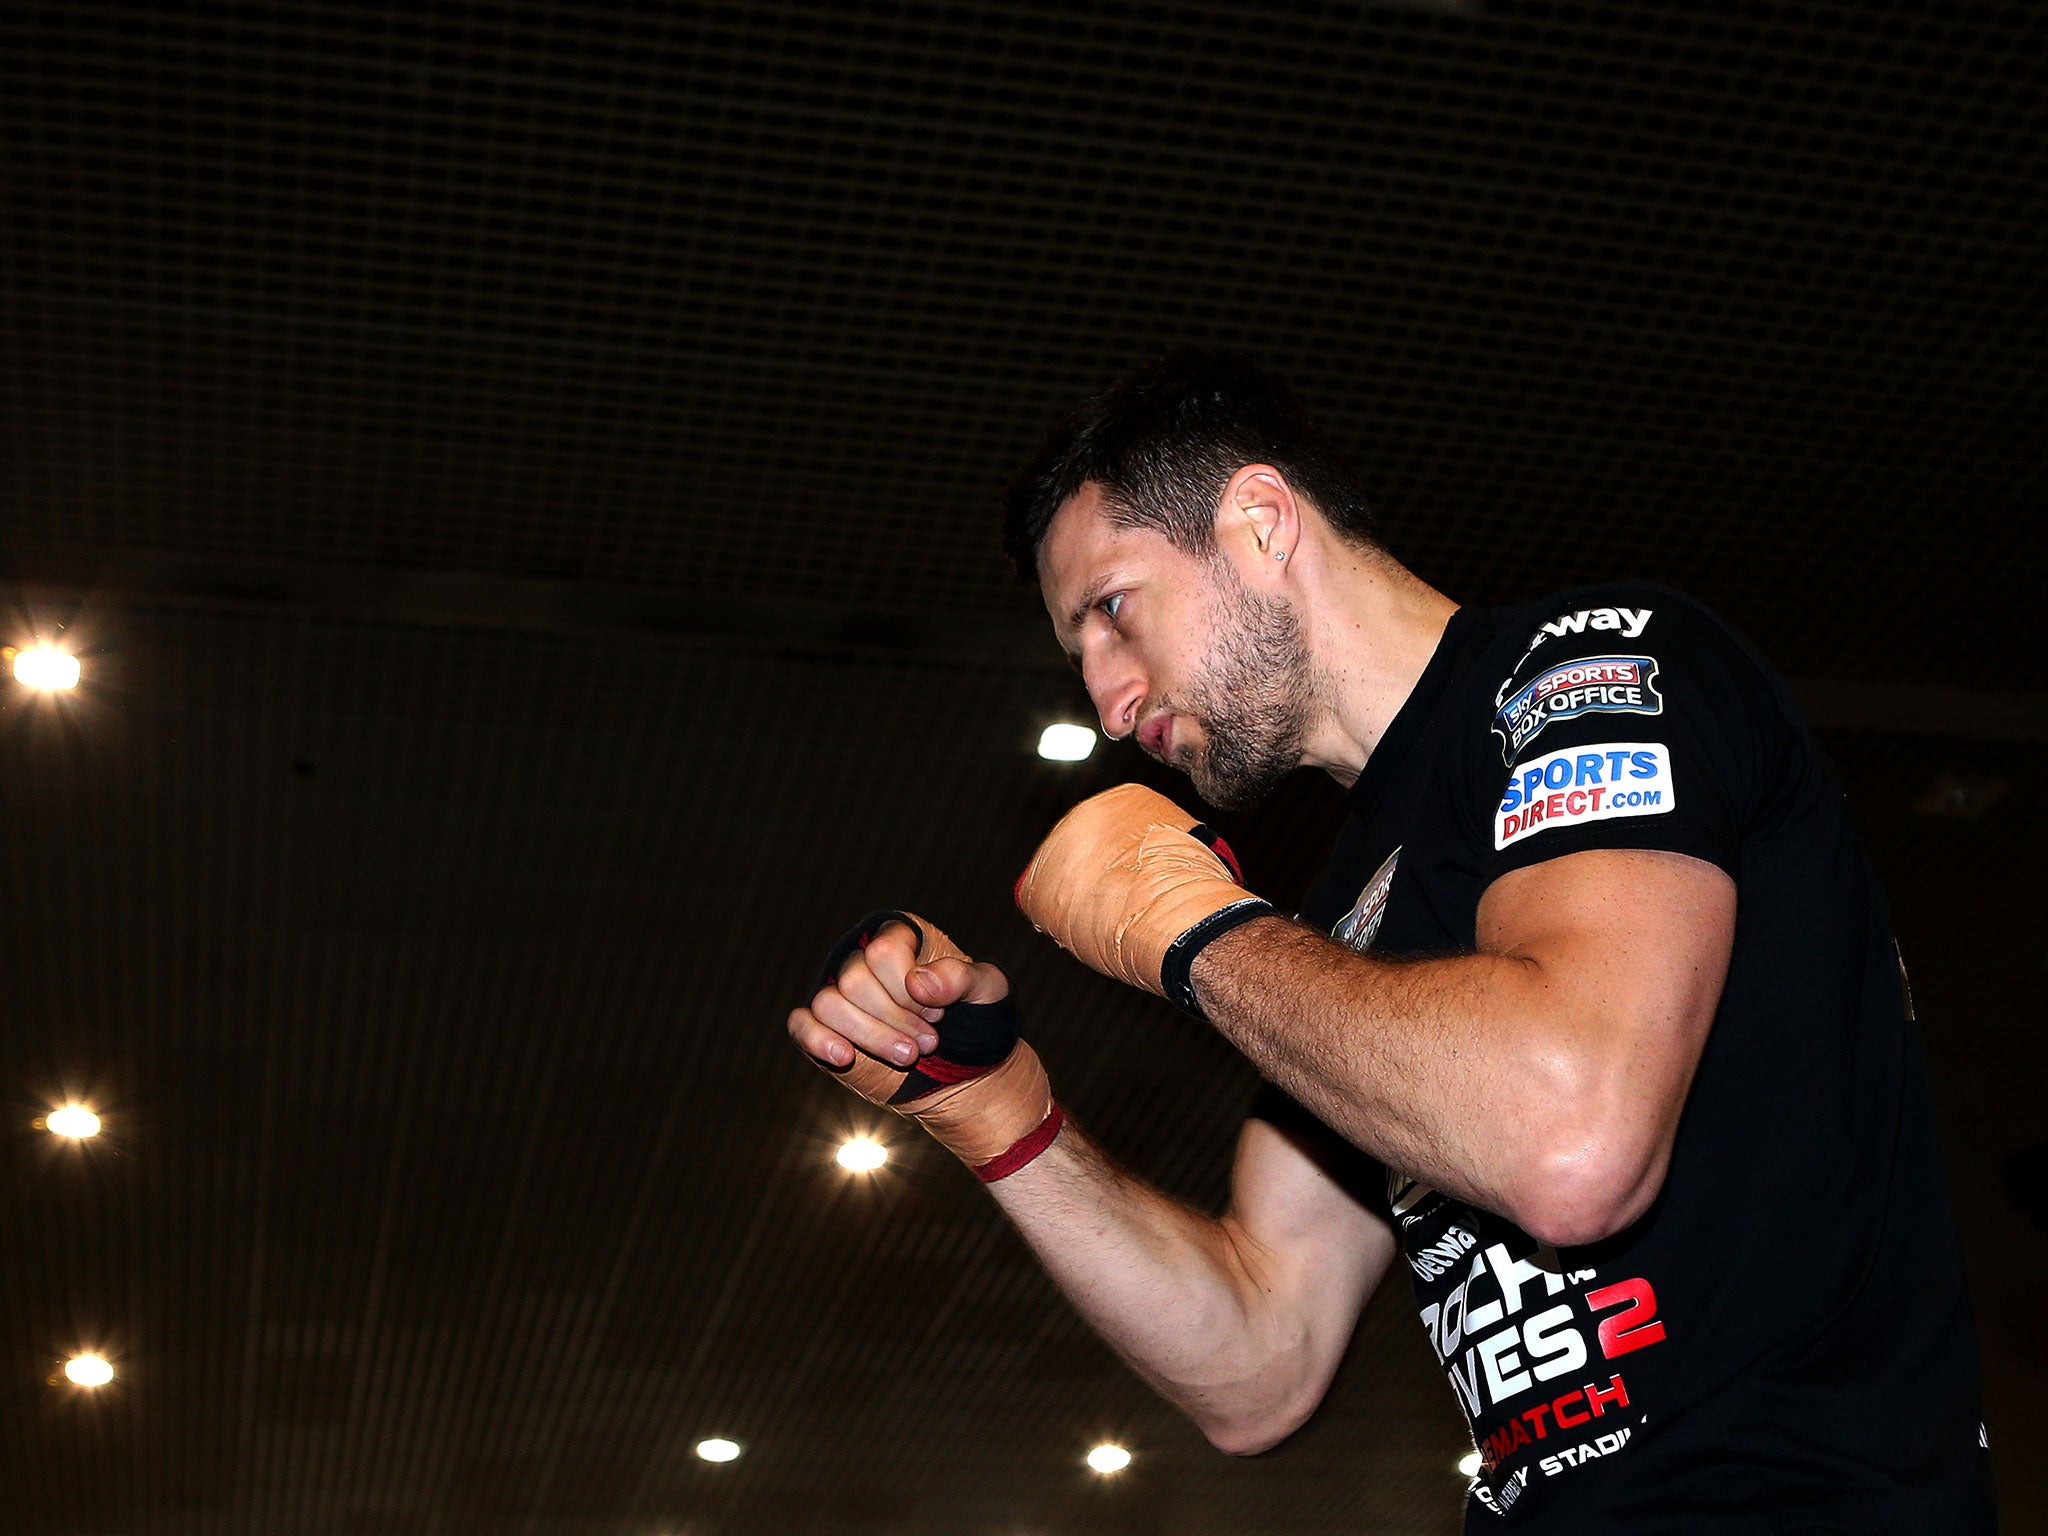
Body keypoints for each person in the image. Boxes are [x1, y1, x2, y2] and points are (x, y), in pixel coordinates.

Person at [786, 350, 1995, 1531]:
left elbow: (1571, 1142)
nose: (1107, 699)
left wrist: (1185, 924)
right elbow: (1261, 1359)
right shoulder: (1342, 924)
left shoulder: (1594, 668)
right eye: (1080, 655)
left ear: (1260, 521)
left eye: (1112, 612)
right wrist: (998, 1114)